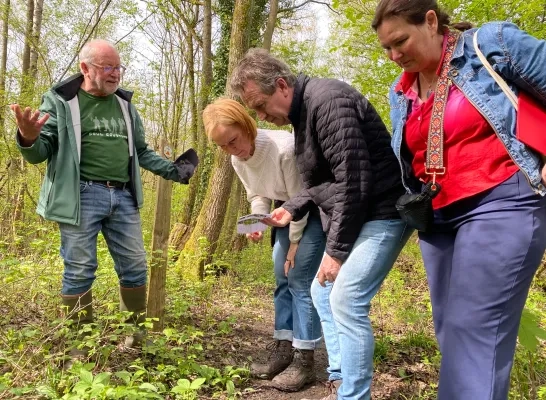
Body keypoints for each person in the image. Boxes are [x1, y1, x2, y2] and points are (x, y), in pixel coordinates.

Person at [372, 1, 546, 399]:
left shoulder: (491, 44)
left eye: (400, 41)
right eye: (386, 48)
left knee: (474, 330)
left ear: (430, 21)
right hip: (439, 217)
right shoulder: (401, 90)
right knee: (452, 332)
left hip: (502, 199)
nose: (395, 55)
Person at [230, 49, 412, 400]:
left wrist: (336, 251)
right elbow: (321, 183)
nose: (260, 115)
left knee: (346, 297)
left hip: (383, 212)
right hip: (361, 211)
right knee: (322, 291)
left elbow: (353, 180)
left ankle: (353, 395)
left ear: (282, 85)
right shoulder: (304, 113)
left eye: (260, 104)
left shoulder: (328, 102)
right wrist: (292, 208)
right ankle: (341, 378)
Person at [10, 39, 198, 365]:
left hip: (123, 195)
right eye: (107, 67)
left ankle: (136, 337)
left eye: (118, 67)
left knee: (136, 266)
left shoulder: (125, 105)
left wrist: (174, 170)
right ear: (85, 68)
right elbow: (41, 153)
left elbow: (141, 151)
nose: (115, 74)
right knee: (81, 269)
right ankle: (78, 348)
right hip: (80, 195)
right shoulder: (60, 102)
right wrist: (28, 137)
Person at [202, 98, 326, 391]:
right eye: (223, 146)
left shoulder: (282, 149)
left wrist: (295, 244)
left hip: (312, 207)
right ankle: (283, 347)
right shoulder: (237, 160)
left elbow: (301, 198)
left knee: (299, 277)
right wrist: (257, 221)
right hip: (283, 210)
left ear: (247, 126)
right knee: (281, 277)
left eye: (233, 140)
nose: (233, 150)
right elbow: (258, 194)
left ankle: (304, 359)